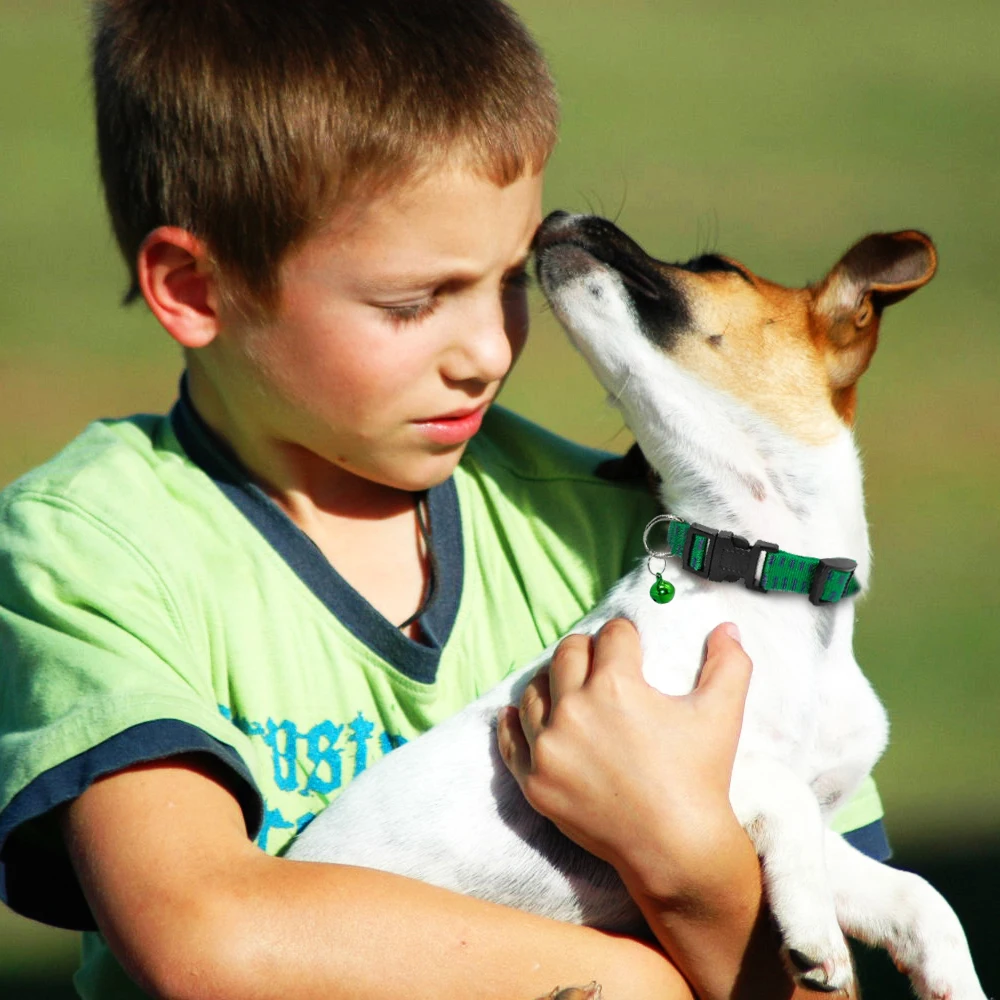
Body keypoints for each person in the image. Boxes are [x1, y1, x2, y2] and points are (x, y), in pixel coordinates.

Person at [0, 2, 888, 997]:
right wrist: (633, 985)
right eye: (414, 302)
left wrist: (690, 872)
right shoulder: (95, 547)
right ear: (196, 289)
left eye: (509, 281)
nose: (488, 351)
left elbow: (831, 986)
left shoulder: (643, 537)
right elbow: (214, 944)